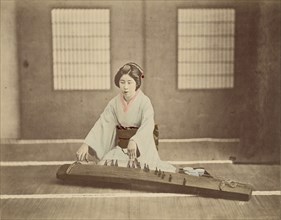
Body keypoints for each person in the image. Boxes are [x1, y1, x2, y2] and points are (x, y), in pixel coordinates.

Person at [76, 62, 176, 173]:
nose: (126, 87)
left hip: (141, 150)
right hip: (121, 149)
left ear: (137, 83)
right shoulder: (114, 103)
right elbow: (103, 123)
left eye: (130, 82)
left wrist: (135, 140)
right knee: (104, 165)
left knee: (144, 170)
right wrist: (87, 144)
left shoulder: (144, 102)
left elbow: (148, 125)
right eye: (122, 82)